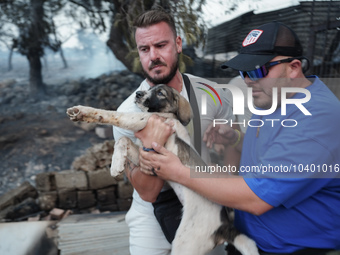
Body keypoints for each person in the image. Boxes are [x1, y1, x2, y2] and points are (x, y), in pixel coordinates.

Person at [137, 21, 340, 254]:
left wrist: (180, 173)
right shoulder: (273, 98)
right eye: (244, 71)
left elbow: (256, 199)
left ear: (293, 68)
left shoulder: (315, 120)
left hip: (293, 248)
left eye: (258, 70)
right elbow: (271, 154)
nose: (248, 80)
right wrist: (235, 139)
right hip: (251, 240)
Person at [112, 9, 235, 255]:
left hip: (206, 203)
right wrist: (150, 146)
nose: (153, 56)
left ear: (178, 44)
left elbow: (233, 149)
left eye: (161, 45)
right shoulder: (127, 113)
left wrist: (226, 199)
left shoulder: (212, 93)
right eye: (145, 49)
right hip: (153, 215)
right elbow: (146, 192)